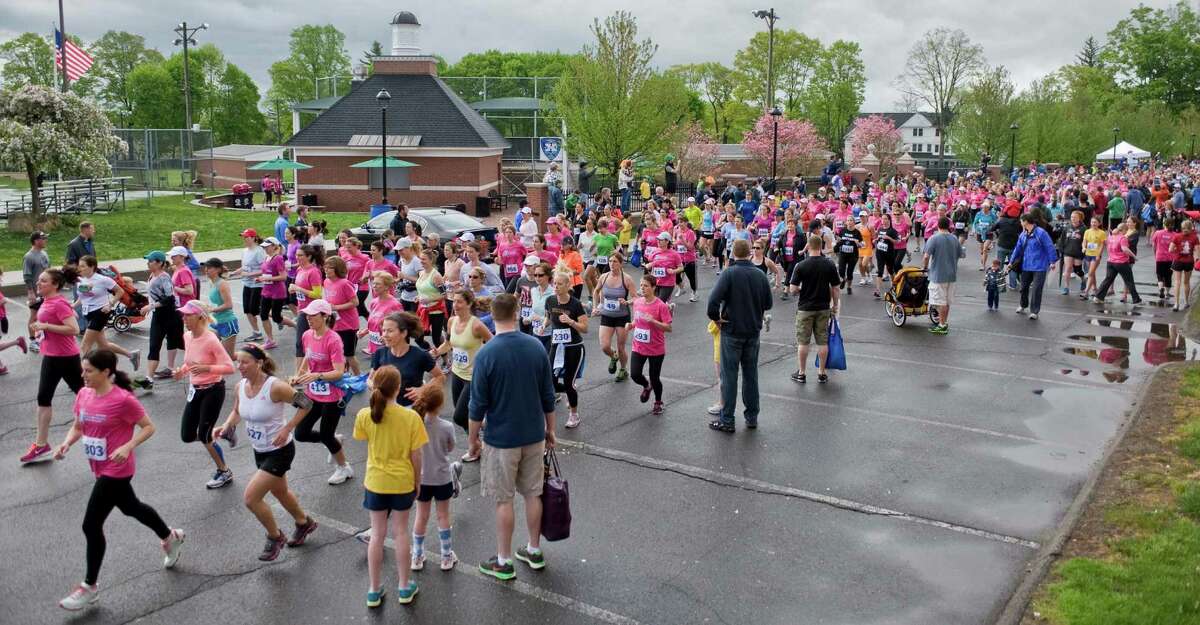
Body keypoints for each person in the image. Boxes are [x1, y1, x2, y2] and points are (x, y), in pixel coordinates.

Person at [53, 349, 185, 611]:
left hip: (117, 470)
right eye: (83, 370)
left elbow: (149, 426)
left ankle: (89, 587)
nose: (83, 375)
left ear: (106, 372)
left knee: (91, 526)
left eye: (89, 371)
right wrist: (66, 443)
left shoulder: (123, 400)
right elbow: (78, 426)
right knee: (131, 507)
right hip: (99, 467)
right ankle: (170, 536)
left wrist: (128, 446)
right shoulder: (83, 394)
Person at [469, 293, 557, 581]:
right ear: (517, 313)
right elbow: (548, 395)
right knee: (533, 493)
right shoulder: (535, 347)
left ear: (492, 316)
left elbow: (477, 405)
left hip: (500, 438)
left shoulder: (486, 353)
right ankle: (533, 550)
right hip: (534, 433)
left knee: (504, 500)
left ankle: (504, 560)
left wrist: (473, 440)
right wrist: (551, 430)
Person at [211, 345, 318, 562]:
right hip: (259, 450)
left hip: (280, 451)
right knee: (280, 492)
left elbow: (307, 404)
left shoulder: (275, 387)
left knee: (251, 498)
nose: (239, 366)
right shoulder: (241, 386)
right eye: (237, 362)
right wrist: (226, 425)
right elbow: (236, 411)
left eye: (244, 362)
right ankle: (304, 522)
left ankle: (274, 536)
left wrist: (288, 428)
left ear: (259, 363)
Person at [353, 365, 426, 606]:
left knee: (377, 534)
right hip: (402, 481)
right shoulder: (411, 417)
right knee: (401, 532)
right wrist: (417, 481)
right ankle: (404, 587)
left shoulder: (365, 414)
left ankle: (373, 590)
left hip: (375, 481)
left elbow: (363, 439)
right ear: (398, 388)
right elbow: (416, 456)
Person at [706, 239, 772, 433]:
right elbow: (768, 304)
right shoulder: (759, 274)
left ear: (733, 253)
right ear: (750, 252)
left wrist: (716, 318)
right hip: (752, 330)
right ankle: (752, 416)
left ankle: (727, 419)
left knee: (729, 376)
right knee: (751, 375)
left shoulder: (729, 273)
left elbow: (712, 302)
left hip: (732, 330)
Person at [286, 299, 354, 485]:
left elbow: (339, 371)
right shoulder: (307, 335)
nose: (308, 318)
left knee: (325, 434)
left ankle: (344, 467)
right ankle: (335, 440)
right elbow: (307, 359)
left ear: (325, 317)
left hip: (332, 396)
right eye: (307, 315)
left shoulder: (333, 339)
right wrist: (297, 376)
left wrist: (317, 376)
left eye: (313, 315)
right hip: (311, 394)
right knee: (301, 433)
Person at [22, 268, 84, 464]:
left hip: (66, 358)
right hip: (51, 356)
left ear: (55, 285)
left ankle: (119, 418)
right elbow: (49, 326)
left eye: (43, 281)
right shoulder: (47, 301)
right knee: (44, 397)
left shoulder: (59, 303)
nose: (39, 284)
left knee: (87, 394)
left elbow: (74, 329)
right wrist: (41, 333)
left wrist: (46, 327)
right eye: (39, 280)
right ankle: (41, 445)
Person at [174, 301, 237, 488]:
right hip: (196, 390)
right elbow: (191, 362)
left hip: (213, 390)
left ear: (200, 317)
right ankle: (222, 432)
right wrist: (182, 371)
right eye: (183, 315)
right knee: (186, 435)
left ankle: (224, 471)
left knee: (204, 435)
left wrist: (207, 368)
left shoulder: (211, 339)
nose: (184, 319)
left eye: (187, 315)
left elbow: (229, 367)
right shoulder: (187, 336)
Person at [408, 382, 462, 572]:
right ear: (440, 405)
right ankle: (446, 556)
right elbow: (450, 447)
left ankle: (417, 555)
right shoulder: (446, 426)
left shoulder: (415, 424)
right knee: (443, 515)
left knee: (421, 516)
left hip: (421, 478)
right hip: (442, 477)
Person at [432, 289, 491, 459]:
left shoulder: (477, 325)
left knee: (459, 416)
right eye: (454, 301)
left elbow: (495, 344)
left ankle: (477, 441)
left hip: (473, 376)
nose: (455, 305)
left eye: (459, 302)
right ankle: (477, 442)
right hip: (457, 373)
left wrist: (484, 360)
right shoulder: (451, 321)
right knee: (462, 415)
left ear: (469, 304)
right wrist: (436, 352)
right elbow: (449, 343)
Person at [788, 234, 842, 383]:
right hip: (823, 307)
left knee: (803, 342)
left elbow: (792, 289)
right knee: (822, 341)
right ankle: (822, 372)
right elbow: (836, 288)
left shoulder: (801, 265)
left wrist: (801, 290)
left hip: (805, 307)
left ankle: (802, 373)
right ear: (821, 247)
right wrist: (835, 304)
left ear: (808, 246)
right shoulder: (829, 264)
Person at [75, 255, 140, 371]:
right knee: (103, 345)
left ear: (92, 267)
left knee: (85, 345)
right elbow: (83, 297)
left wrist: (110, 304)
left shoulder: (102, 280)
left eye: (83, 266)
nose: (80, 269)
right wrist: (72, 306)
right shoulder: (81, 280)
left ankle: (84, 374)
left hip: (100, 313)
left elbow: (120, 291)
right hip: (88, 313)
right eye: (79, 266)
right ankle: (131, 355)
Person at [627, 274, 672, 414]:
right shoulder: (637, 302)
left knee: (655, 377)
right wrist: (630, 325)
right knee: (634, 374)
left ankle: (658, 401)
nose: (642, 288)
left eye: (646, 286)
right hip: (638, 346)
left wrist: (653, 321)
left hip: (655, 348)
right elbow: (637, 321)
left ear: (653, 287)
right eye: (641, 285)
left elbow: (668, 328)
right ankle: (647, 386)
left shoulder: (661, 306)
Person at [547, 271, 588, 428]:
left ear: (568, 286)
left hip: (574, 347)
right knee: (550, 380)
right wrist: (544, 324)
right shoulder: (550, 301)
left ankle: (574, 415)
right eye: (554, 283)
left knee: (569, 381)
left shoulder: (575, 304)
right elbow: (549, 317)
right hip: (556, 346)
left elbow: (584, 328)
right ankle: (570, 391)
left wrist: (571, 322)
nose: (556, 286)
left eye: (559, 284)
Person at [593, 251, 636, 382]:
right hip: (607, 315)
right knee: (605, 346)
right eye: (610, 261)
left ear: (621, 264)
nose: (612, 264)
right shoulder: (604, 277)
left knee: (621, 346)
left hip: (622, 316)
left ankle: (623, 369)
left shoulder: (627, 279)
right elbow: (596, 291)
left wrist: (627, 302)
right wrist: (596, 306)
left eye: (615, 262)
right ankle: (613, 356)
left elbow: (635, 298)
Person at [142, 251, 184, 381]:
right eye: (148, 261)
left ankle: (202, 357)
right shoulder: (152, 275)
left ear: (159, 263)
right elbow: (154, 296)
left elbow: (170, 298)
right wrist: (149, 305)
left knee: (178, 342)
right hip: (158, 315)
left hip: (170, 315)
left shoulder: (164, 277)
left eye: (150, 261)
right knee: (154, 345)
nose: (148, 263)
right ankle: (149, 378)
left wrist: (151, 306)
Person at [1009, 213, 1058, 320]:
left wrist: (1052, 261)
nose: (1020, 223)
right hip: (1027, 265)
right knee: (1023, 288)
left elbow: (1049, 247)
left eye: (1021, 221)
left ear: (1026, 222)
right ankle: (1023, 305)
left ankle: (1034, 311)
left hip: (1040, 266)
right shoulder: (1023, 234)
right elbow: (1018, 248)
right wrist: (1011, 261)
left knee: (1036, 289)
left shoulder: (1041, 233)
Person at [922, 217, 964, 335]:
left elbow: (926, 256)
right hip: (952, 274)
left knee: (940, 302)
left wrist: (925, 267)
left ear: (938, 226)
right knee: (947, 301)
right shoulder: (954, 238)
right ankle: (944, 322)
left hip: (938, 274)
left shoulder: (934, 238)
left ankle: (941, 325)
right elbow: (961, 254)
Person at [322, 256, 362, 376]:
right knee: (338, 353)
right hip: (335, 323)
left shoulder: (344, 283)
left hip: (349, 324)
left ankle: (359, 377)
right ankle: (345, 374)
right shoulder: (326, 281)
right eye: (325, 267)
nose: (326, 270)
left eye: (330, 268)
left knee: (349, 355)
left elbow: (355, 302)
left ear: (338, 269)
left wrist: (336, 307)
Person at [1092, 222, 1142, 304]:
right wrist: (1134, 256)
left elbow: (1105, 245)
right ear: (1125, 230)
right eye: (1127, 230)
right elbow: (1125, 249)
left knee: (1108, 279)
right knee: (1129, 281)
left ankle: (1098, 297)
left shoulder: (1110, 237)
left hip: (1111, 261)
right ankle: (1136, 299)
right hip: (1121, 262)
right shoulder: (1123, 238)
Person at [229, 229, 266, 341]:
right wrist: (234, 272)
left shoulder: (259, 251)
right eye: (243, 237)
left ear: (254, 238)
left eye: (246, 237)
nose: (244, 239)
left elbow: (264, 269)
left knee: (256, 310)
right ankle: (256, 332)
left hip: (257, 284)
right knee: (248, 310)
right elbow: (244, 267)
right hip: (247, 284)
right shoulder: (245, 251)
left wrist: (250, 274)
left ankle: (278, 318)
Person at [258, 237, 293, 350]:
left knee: (277, 318)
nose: (265, 249)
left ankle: (297, 326)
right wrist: (259, 277)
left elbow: (283, 276)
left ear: (274, 246)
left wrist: (267, 278)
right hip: (266, 291)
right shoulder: (266, 257)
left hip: (277, 292)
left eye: (267, 247)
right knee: (263, 314)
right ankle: (270, 340)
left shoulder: (278, 258)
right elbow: (265, 272)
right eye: (263, 247)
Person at [204, 258, 239, 357]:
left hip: (227, 322)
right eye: (206, 267)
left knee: (229, 356)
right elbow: (217, 302)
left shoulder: (222, 284)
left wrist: (211, 310)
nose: (206, 269)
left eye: (209, 267)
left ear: (218, 270)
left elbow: (228, 305)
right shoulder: (212, 282)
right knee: (208, 347)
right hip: (216, 322)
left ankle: (253, 355)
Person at [1169, 219, 1198, 311]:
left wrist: (1177, 249)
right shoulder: (1195, 237)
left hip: (1178, 261)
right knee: (1186, 282)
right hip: (1189, 262)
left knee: (1177, 282)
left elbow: (1170, 249)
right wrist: (1197, 259)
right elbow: (1198, 251)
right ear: (1191, 228)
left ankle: (1176, 304)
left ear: (1182, 227)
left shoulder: (1176, 236)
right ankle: (1186, 302)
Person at [23, 230, 50, 308]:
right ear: (36, 241)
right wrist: (31, 292)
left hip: (46, 291)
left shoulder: (44, 253)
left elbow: (48, 270)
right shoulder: (28, 257)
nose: (46, 240)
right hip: (37, 293)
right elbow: (27, 276)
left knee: (45, 316)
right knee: (34, 316)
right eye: (43, 238)